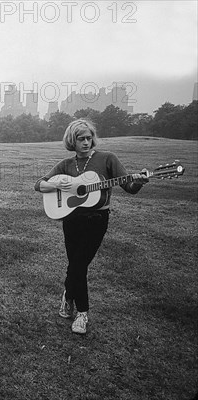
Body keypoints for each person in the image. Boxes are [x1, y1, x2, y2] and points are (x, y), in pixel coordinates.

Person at [34, 119, 149, 334]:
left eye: (89, 138)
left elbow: (130, 187)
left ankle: (81, 313)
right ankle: (70, 298)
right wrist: (56, 184)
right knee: (76, 265)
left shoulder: (107, 159)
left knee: (78, 265)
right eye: (81, 139)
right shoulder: (67, 165)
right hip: (72, 220)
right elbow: (39, 184)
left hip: (97, 220)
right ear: (72, 141)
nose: (86, 142)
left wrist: (139, 181)